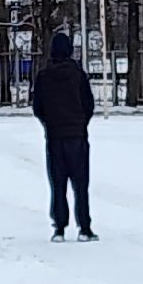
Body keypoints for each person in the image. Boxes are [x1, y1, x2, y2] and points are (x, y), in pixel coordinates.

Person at [31, 31, 96, 242]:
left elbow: (38, 107)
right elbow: (89, 104)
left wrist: (49, 125)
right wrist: (80, 122)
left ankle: (59, 228)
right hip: (77, 135)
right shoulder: (78, 75)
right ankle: (84, 228)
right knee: (81, 184)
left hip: (55, 136)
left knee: (57, 184)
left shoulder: (43, 76)